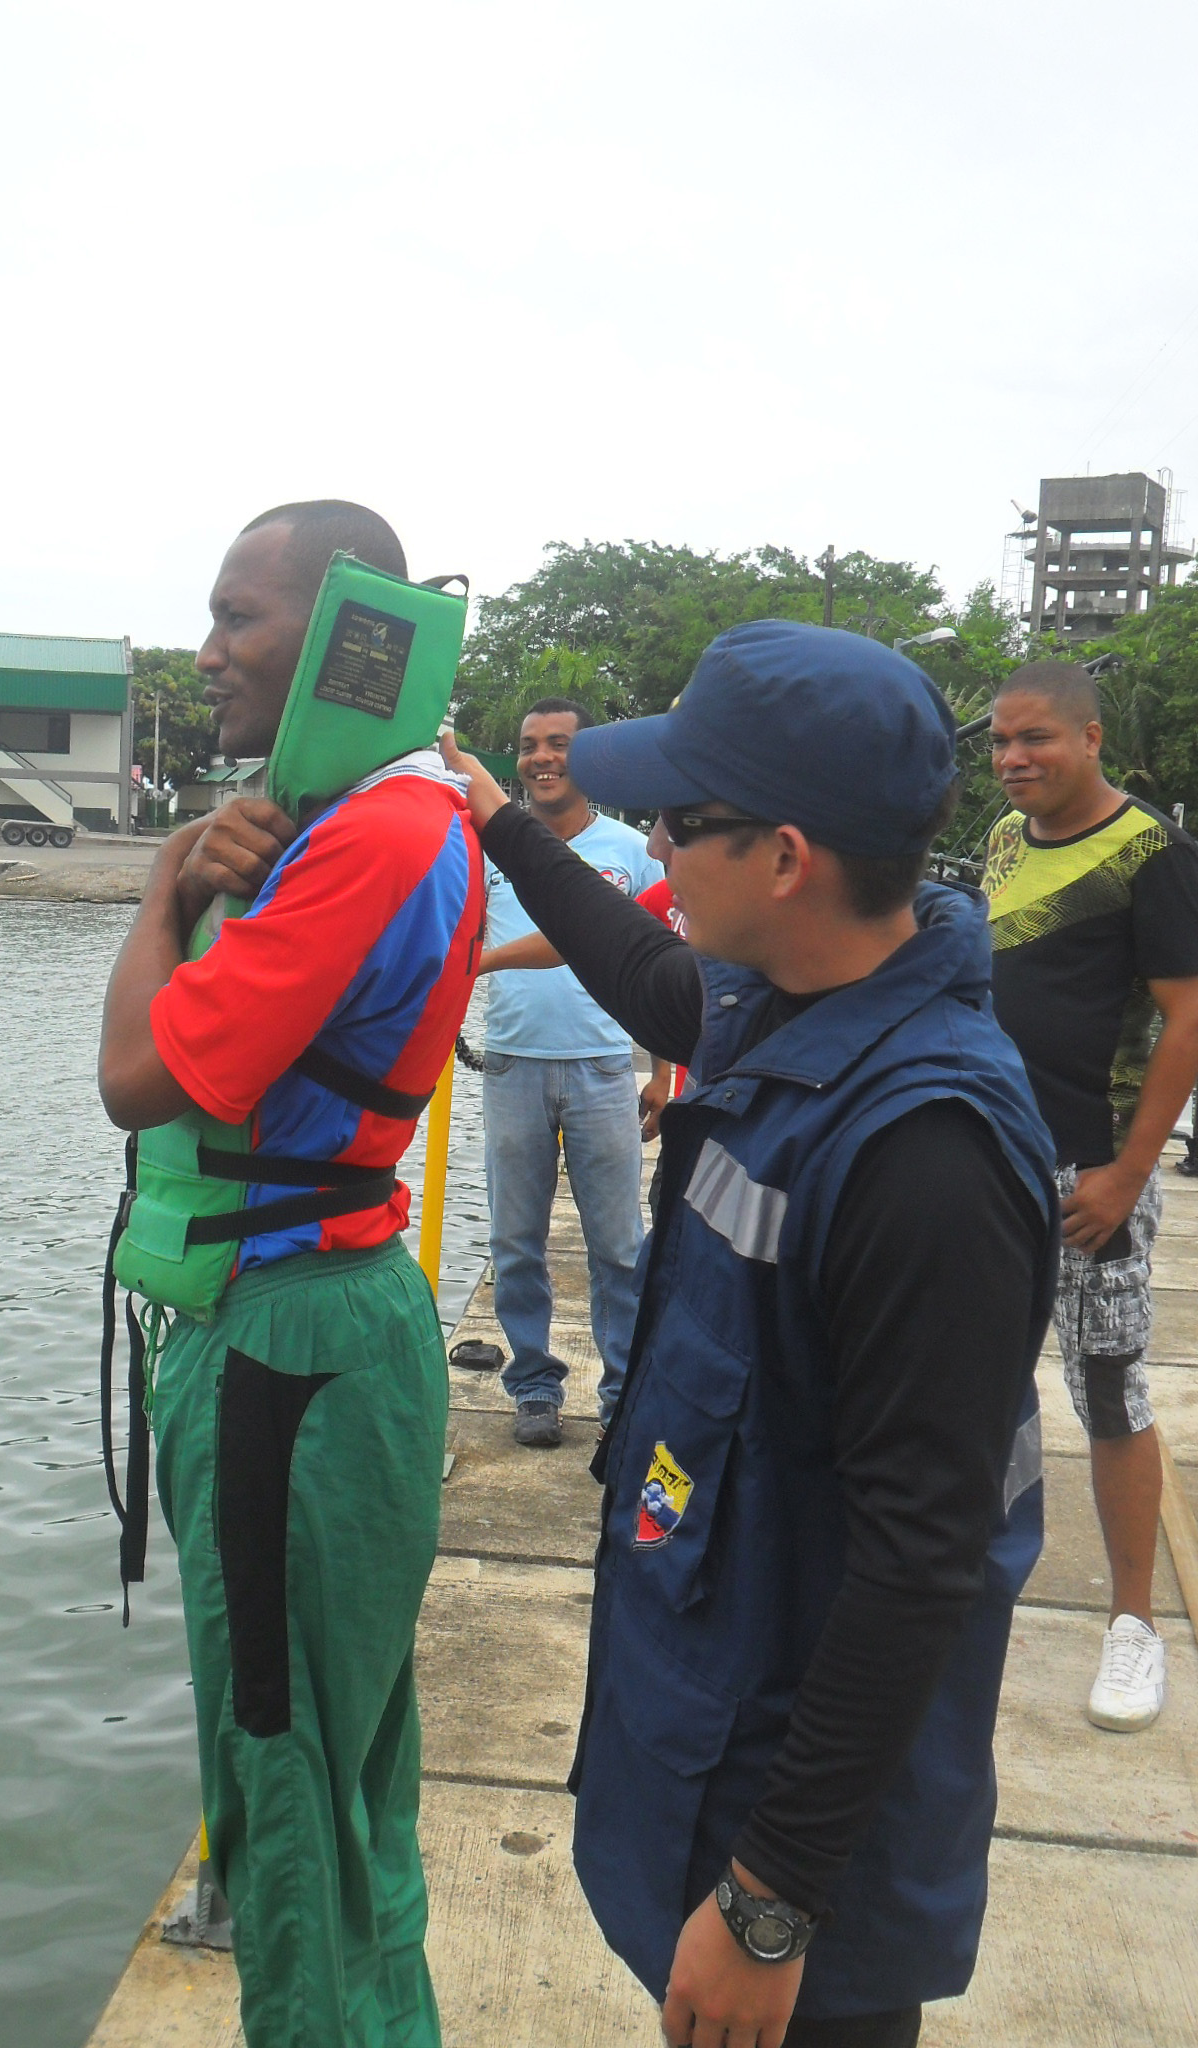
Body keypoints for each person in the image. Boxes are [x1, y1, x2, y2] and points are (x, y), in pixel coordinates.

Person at [441, 620, 1058, 2048]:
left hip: (797, 1847)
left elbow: (924, 1560)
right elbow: (643, 973)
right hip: (708, 1728)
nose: (653, 850)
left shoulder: (929, 1152)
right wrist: (499, 824)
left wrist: (772, 1899)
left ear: (785, 859)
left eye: (680, 823)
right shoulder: (772, 1002)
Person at [98, 500, 482, 2048]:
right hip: (332, 1327)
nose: (207, 655)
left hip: (285, 1356)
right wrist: (208, 878)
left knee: (282, 1773)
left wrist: (159, 895)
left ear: (339, 635)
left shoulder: (368, 839)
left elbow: (136, 1081)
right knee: (344, 1773)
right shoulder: (408, 816)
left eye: (237, 618)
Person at [985, 661, 1198, 1731]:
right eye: (1001, 742)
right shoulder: (1008, 839)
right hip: (990, 1159)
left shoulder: (1151, 850)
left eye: (1037, 739)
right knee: (968, 1376)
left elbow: (1187, 1017)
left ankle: (1133, 1625)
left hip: (1090, 1174)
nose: (1015, 758)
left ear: (1092, 737)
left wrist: (1127, 1171)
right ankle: (966, 1581)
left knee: (1109, 1390)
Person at [477, 696, 665, 1444]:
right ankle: (532, 1385)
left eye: (559, 743)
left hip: (603, 1067)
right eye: (528, 745)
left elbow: (660, 968)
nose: (542, 758)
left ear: (585, 759)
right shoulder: (487, 847)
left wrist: (665, 1074)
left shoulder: (630, 849)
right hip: (511, 1066)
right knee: (515, 1242)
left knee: (618, 1244)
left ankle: (623, 1391)